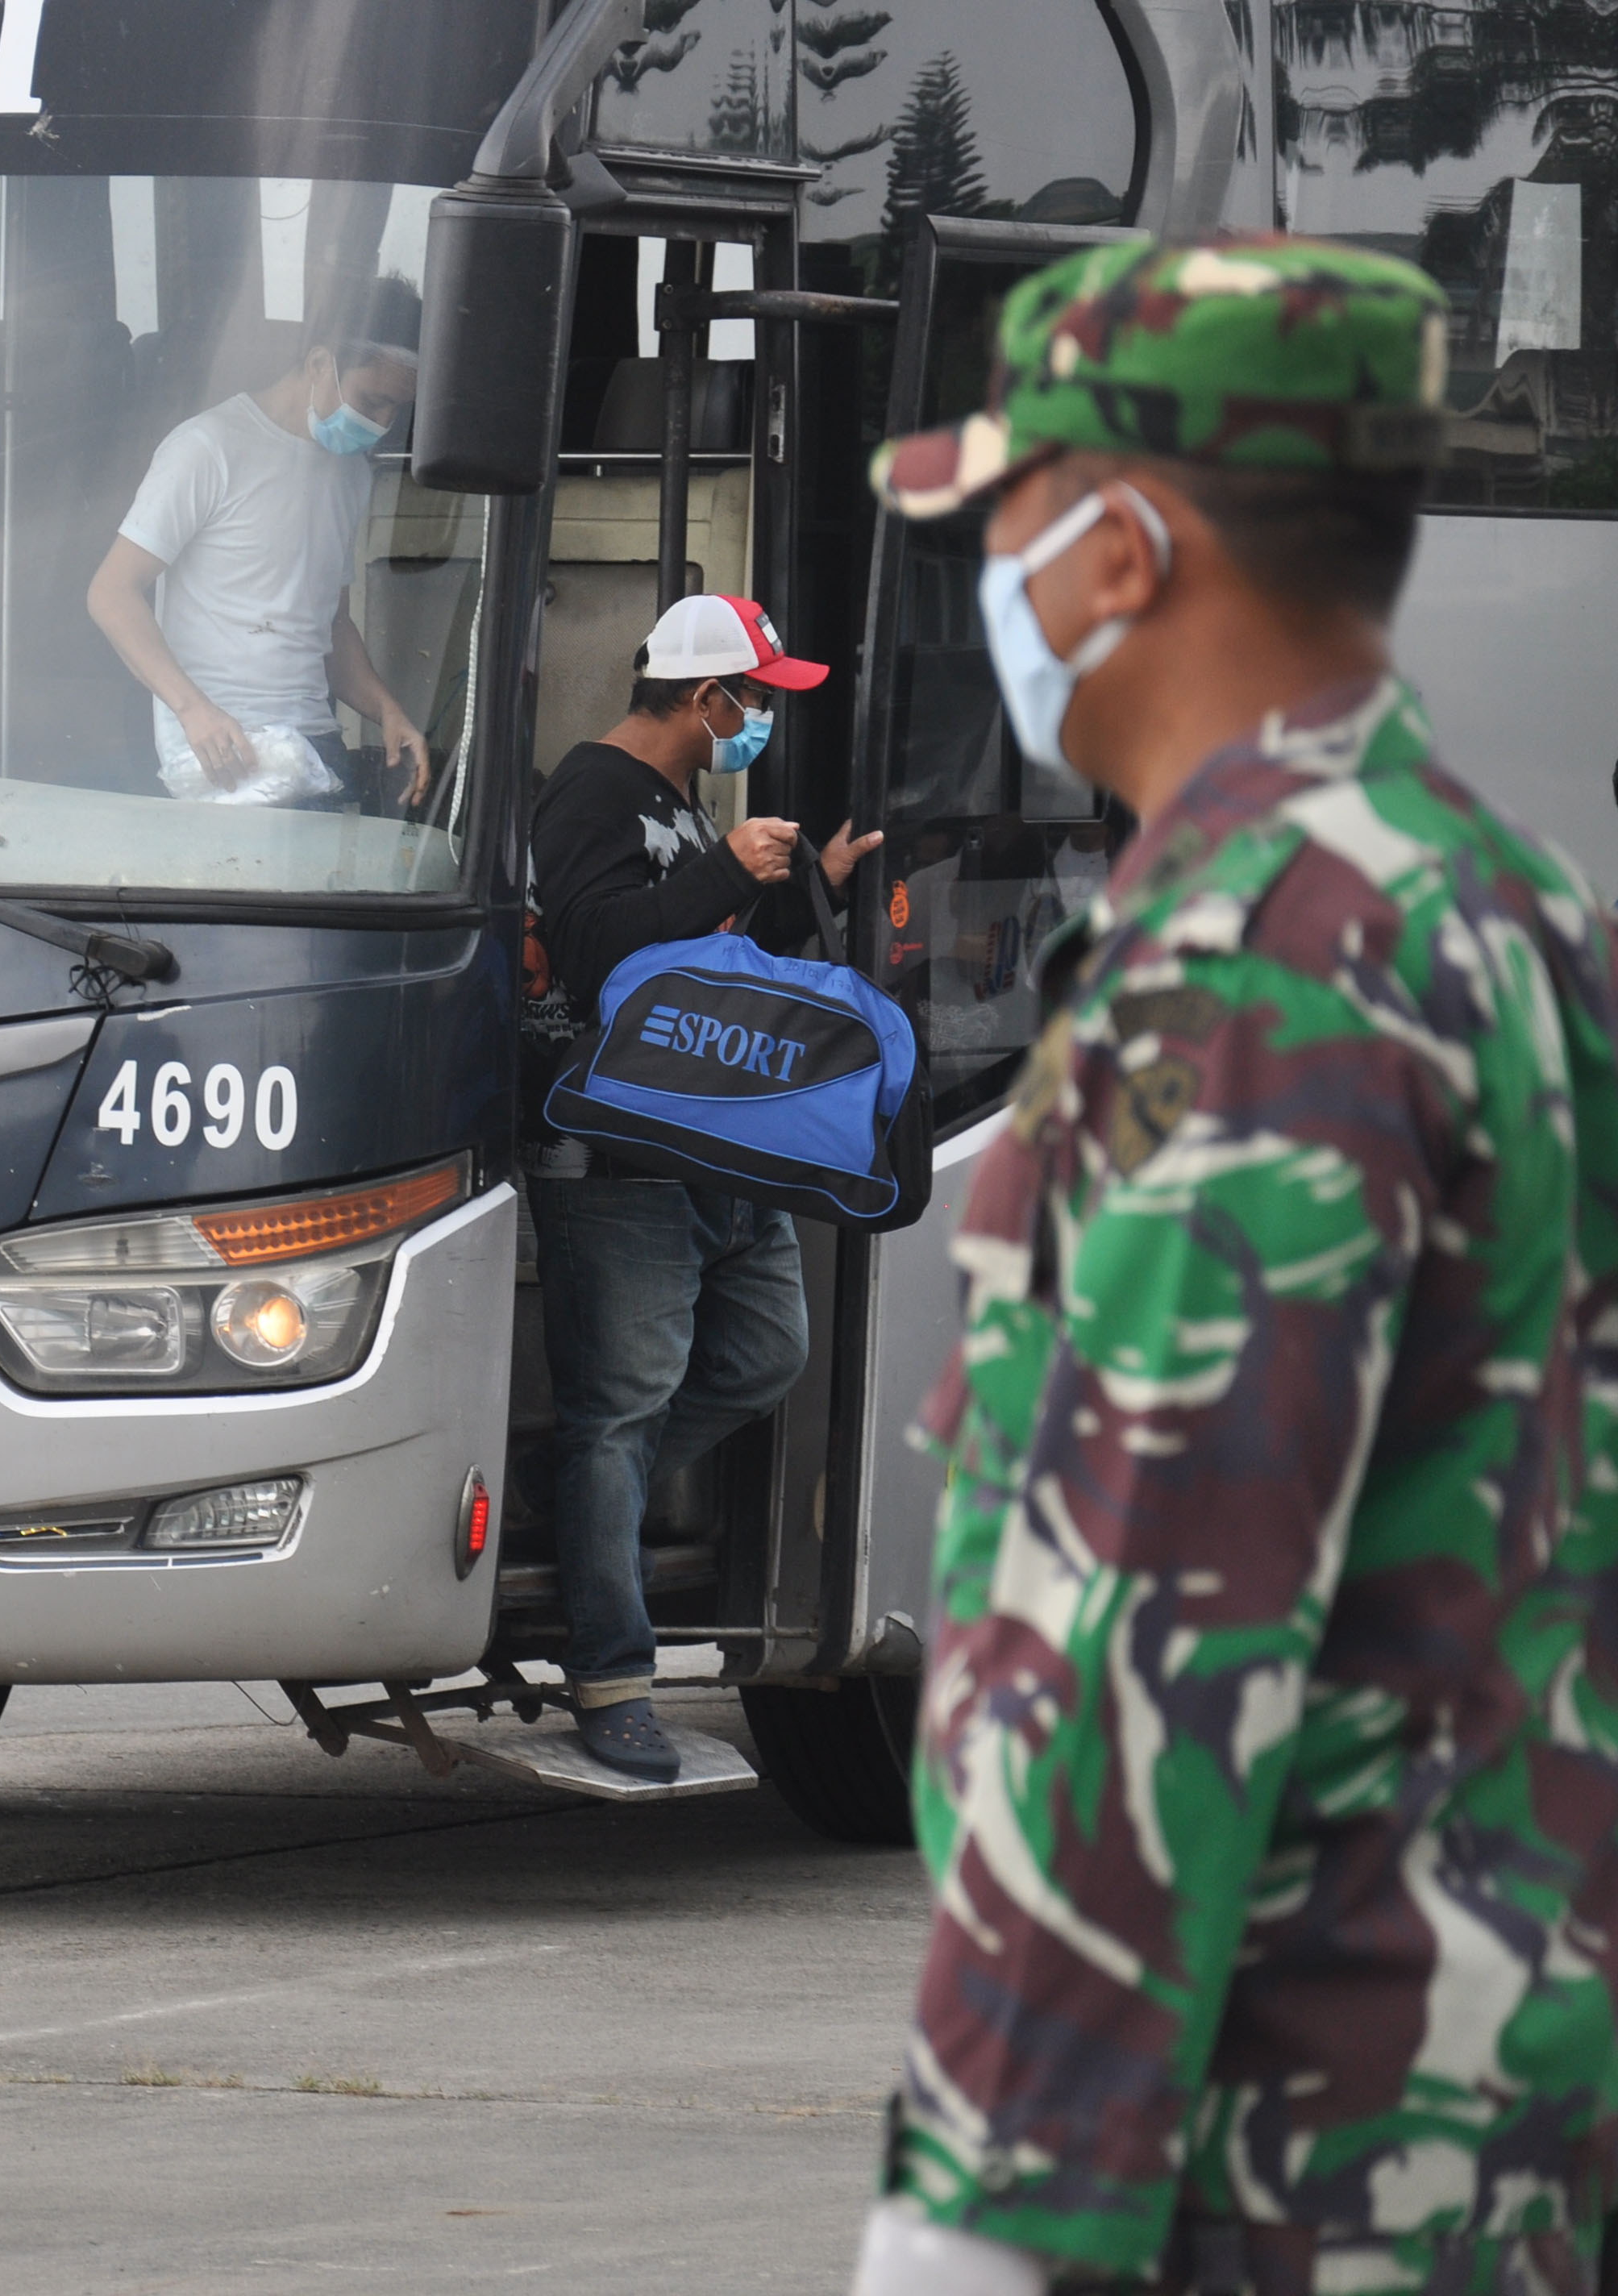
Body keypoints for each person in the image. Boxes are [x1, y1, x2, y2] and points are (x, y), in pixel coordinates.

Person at [851, 238, 1618, 2296]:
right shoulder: (1502, 902)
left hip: (1273, 2157)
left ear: (1118, 549)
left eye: (1005, 515)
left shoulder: (1258, 966)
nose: (985, 572)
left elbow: (1147, 1616)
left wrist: (985, 2199)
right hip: (1488, 2108)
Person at [522, 591, 876, 1784]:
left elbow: (702, 966)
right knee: (618, 1412)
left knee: (764, 1353)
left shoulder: (679, 801)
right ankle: (611, 1678)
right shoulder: (590, 792)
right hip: (615, 1158)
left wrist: (807, 886)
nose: (763, 719)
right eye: (756, 698)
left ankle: (577, 1497)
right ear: (704, 696)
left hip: (712, 1144)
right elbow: (596, 954)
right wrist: (724, 864)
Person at [87, 280, 435, 811]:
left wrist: (387, 710)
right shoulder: (208, 447)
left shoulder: (351, 476)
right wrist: (193, 711)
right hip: (218, 754)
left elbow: (331, 625)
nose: (383, 423)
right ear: (319, 363)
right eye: (373, 400)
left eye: (397, 410)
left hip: (315, 746)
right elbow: (112, 593)